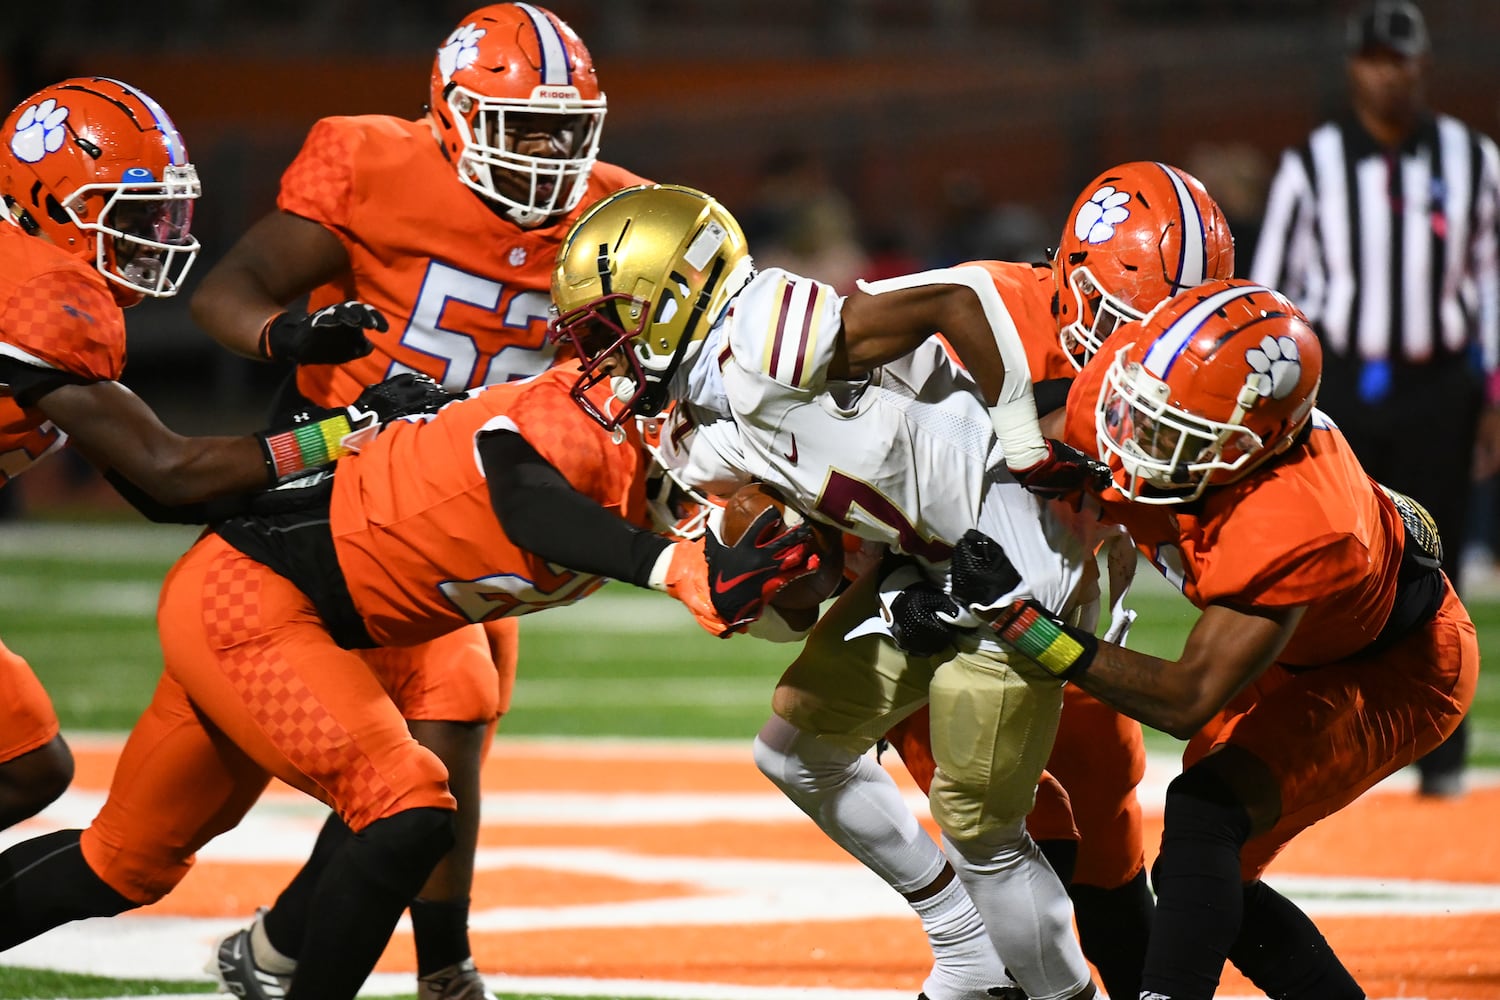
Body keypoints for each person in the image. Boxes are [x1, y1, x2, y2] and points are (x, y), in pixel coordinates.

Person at [0, 362, 819, 1000]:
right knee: (407, 811)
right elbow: (527, 501)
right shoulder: (573, 422)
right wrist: (673, 564)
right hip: (251, 596)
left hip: (310, 617)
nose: (727, 489)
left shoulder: (650, 469)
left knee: (119, 866)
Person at [549, 182, 1125, 1000]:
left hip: (1020, 548)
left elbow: (954, 300)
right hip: (928, 564)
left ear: (676, 296)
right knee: (796, 750)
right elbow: (805, 594)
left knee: (979, 829)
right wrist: (761, 571)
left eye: (612, 325)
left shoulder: (757, 335)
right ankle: (967, 951)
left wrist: (1023, 443)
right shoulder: (696, 424)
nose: (601, 353)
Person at [187, 5, 651, 997]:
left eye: (565, 133)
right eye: (519, 128)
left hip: (496, 498)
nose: (544, 155)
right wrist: (288, 337)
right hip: (356, 489)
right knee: (445, 718)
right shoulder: (373, 163)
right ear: (450, 114)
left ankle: (278, 945)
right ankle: (444, 970)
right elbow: (236, 288)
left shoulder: (621, 215)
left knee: (436, 758)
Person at [939, 277, 1477, 1000]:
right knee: (1207, 872)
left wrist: (1024, 625)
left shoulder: (1300, 520)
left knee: (1207, 815)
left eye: (1173, 433)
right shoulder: (1132, 383)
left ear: (1251, 447)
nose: (1132, 438)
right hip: (1302, 639)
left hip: (1390, 665)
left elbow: (1186, 699)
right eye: (1143, 410)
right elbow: (1037, 449)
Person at [0, 77, 416, 836]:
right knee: (27, 766)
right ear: (53, 202)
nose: (154, 234)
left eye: (163, 210)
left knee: (27, 764)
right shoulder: (35, 290)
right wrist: (344, 429)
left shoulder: (32, 270)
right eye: (131, 214)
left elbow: (160, 493)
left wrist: (329, 485)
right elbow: (168, 470)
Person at [874, 158, 1236, 1000]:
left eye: (1162, 326)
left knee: (1112, 861)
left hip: (1076, 637)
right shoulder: (960, 311)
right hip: (951, 638)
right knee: (1003, 860)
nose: (1136, 350)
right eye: (1122, 319)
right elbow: (846, 459)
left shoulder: (1186, 364)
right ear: (1071, 278)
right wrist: (893, 583)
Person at [1249, 0, 1499, 798]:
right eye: (1375, 58)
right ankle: (1335, 735)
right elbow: (1275, 293)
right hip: (1344, 387)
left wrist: (1494, 395)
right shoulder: (1311, 165)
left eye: (1402, 58)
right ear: (1355, 67)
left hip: (1440, 385)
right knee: (1337, 558)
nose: (1389, 72)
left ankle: (1442, 758)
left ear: (1422, 64)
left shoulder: (1475, 159)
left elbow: (1495, 285)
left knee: (1441, 559)